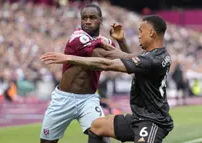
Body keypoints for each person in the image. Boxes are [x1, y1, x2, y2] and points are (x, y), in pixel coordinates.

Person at [41, 15, 174, 143]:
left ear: (151, 33)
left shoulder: (151, 59)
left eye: (141, 31)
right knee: (96, 126)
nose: (139, 35)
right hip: (138, 118)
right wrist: (121, 41)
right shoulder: (155, 55)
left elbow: (107, 64)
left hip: (153, 121)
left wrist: (69, 58)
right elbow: (133, 61)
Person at [40, 4, 135, 143]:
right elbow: (126, 59)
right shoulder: (77, 38)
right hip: (63, 99)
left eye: (92, 18)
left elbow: (129, 64)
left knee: (103, 135)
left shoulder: (105, 42)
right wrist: (144, 56)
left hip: (88, 100)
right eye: (84, 18)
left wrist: (121, 40)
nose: (88, 21)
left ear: (100, 20)